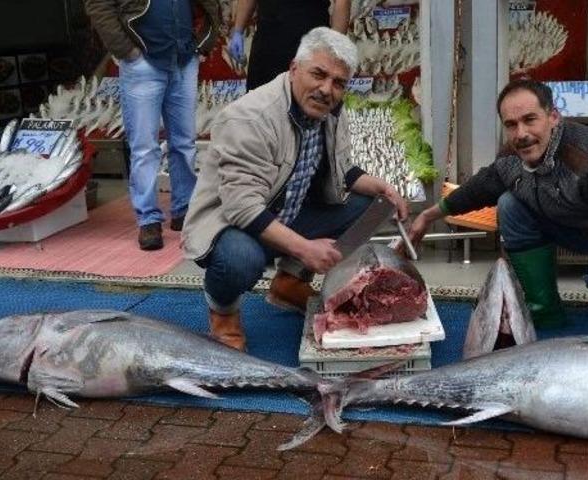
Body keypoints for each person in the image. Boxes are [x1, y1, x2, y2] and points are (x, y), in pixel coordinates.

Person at [409, 79, 588, 358]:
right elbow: (484, 185)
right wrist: (428, 215)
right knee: (509, 203)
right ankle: (545, 308)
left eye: (530, 119)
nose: (521, 133)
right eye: (511, 124)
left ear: (554, 117)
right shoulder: (514, 154)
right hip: (569, 225)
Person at [182, 27, 407, 352]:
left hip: (283, 212)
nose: (327, 89)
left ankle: (289, 283)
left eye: (338, 83)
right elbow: (241, 207)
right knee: (240, 260)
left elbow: (341, 170)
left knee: (371, 203)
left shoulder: (329, 112)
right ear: (293, 69)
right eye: (319, 74)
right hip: (232, 225)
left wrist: (382, 186)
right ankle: (223, 310)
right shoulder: (250, 118)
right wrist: (305, 248)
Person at [85, 0, 220, 251]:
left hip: (183, 59)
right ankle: (148, 219)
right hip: (143, 61)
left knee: (185, 143)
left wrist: (203, 45)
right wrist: (127, 51)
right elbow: (98, 5)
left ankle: (184, 211)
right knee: (144, 146)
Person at [227, 0, 351, 90]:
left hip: (310, 47)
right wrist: (238, 29)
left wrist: (336, 46)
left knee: (304, 110)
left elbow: (342, 2)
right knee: (259, 110)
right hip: (266, 46)